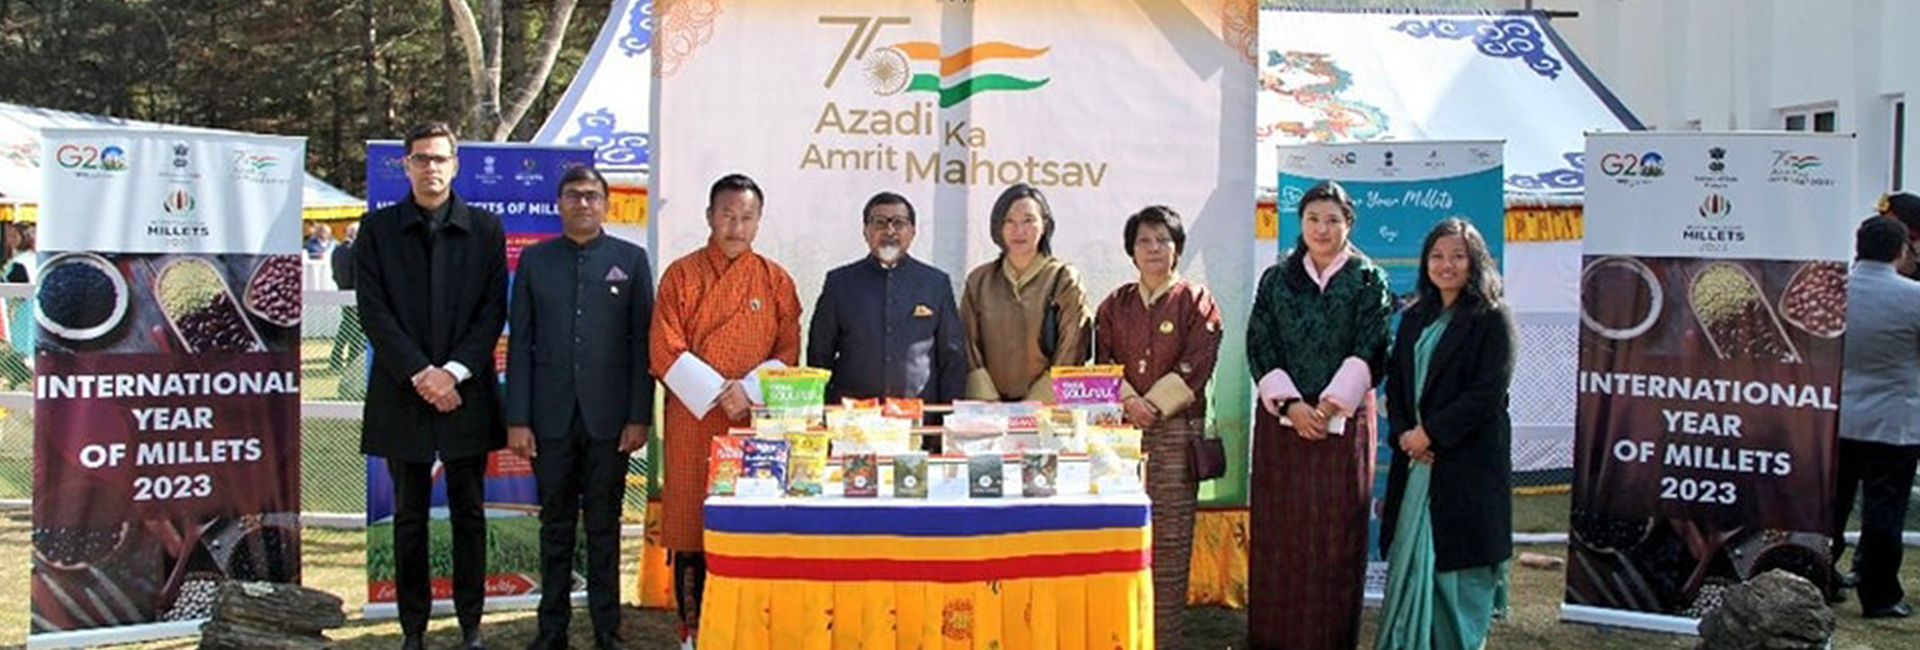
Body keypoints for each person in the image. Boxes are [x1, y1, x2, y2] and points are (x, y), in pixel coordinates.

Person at [355, 122, 507, 650]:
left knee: (469, 513)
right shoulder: (376, 231)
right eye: (421, 158)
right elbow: (373, 312)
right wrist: (422, 374)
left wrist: (454, 373)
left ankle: (470, 626)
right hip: (403, 393)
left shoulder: (486, 230)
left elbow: (492, 312)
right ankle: (412, 630)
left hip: (466, 394)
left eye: (440, 158)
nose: (431, 167)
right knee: (409, 517)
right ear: (406, 165)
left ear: (455, 164)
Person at [650, 173, 801, 649]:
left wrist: (749, 391)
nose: (736, 226)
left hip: (753, 423)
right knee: (690, 526)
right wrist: (719, 391)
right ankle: (691, 631)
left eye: (747, 217)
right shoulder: (680, 274)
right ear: (710, 217)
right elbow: (664, 348)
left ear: (759, 221)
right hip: (694, 421)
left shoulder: (776, 279)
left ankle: (746, 629)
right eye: (728, 216)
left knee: (749, 526)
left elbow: (789, 350)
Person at [507, 167, 653, 650]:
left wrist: (639, 417)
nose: (583, 203)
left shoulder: (630, 260)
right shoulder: (535, 261)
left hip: (611, 424)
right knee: (555, 529)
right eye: (573, 195)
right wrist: (518, 420)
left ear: (607, 204)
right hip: (548, 421)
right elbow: (521, 343)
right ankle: (552, 631)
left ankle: (607, 631)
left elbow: (640, 346)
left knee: (605, 530)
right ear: (559, 203)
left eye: (592, 196)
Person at [1245, 180, 1392, 649]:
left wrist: (1328, 405)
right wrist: (1291, 404)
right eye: (1313, 219)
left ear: (1349, 224)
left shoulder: (1368, 278)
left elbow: (1374, 343)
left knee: (1335, 532)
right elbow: (1259, 341)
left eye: (1333, 220)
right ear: (1300, 223)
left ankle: (1329, 638)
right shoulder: (1276, 278)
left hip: (1342, 424)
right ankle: (1274, 637)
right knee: (1282, 530)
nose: (1322, 229)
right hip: (1282, 423)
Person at [1375, 218, 1517, 649]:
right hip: (1415, 461)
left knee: (1457, 570)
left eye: (1458, 256)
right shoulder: (1416, 316)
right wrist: (1404, 434)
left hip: (1464, 464)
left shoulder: (1493, 319)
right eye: (1437, 256)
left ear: (1475, 262)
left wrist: (1431, 434)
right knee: (1411, 563)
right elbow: (1396, 384)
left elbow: (1487, 392)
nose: (1446, 265)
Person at [1092, 205, 1222, 648]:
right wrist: (1129, 400)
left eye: (1162, 240)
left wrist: (1153, 405)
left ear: (1178, 248)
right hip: (1121, 437)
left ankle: (1164, 637)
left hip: (1175, 434)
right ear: (1131, 250)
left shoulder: (1196, 300)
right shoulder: (1114, 304)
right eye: (1144, 241)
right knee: (1120, 531)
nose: (1153, 249)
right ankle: (1122, 633)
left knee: (1170, 538)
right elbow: (1103, 361)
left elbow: (1197, 362)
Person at [806, 191, 964, 447]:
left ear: (912, 232)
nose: (889, 230)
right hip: (852, 425)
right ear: (866, 231)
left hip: (918, 424)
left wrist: (946, 424)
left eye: (899, 223)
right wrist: (822, 416)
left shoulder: (935, 283)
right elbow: (819, 355)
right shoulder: (840, 283)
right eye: (879, 222)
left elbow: (952, 357)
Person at [1830, 216, 1920, 619]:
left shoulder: (1833, 291)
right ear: (1901, 250)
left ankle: (1820, 576)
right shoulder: (1913, 296)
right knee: (1884, 509)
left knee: (1831, 506)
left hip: (1837, 415)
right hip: (1894, 419)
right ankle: (1879, 593)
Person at [959, 183, 1092, 402]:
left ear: (1045, 225)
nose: (1019, 230)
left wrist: (1036, 403)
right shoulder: (980, 281)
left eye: (1028, 220)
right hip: (989, 412)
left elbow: (1073, 345)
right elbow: (967, 343)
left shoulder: (1063, 278)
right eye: (1009, 221)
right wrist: (987, 400)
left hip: (1046, 411)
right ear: (998, 227)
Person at [329, 222, 364, 372]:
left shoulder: (337, 250)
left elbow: (336, 273)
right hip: (355, 294)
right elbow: (356, 274)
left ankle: (337, 357)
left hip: (342, 291)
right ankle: (351, 358)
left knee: (347, 325)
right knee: (355, 327)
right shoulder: (356, 250)